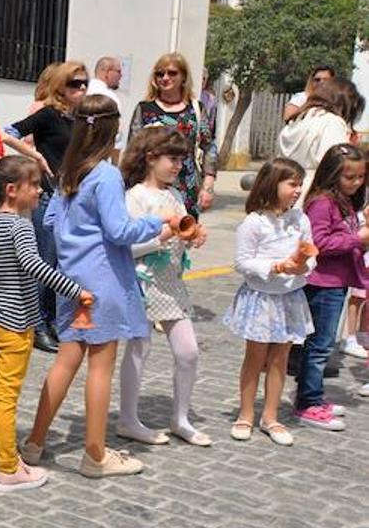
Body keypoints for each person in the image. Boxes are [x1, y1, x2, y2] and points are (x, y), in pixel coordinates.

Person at [22, 95, 165, 478]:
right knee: (101, 366)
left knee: (66, 360)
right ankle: (95, 453)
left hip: (70, 278)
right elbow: (119, 231)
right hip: (102, 280)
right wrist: (156, 222)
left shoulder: (71, 169)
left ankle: (35, 441)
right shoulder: (104, 174)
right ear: (112, 127)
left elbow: (51, 220)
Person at [0, 155, 84, 493]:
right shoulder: (20, 226)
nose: (40, 191)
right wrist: (75, 291)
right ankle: (8, 467)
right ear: (12, 190)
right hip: (13, 325)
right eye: (34, 185)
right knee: (5, 396)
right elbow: (35, 265)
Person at [117, 128, 212, 447]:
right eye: (172, 159)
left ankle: (180, 418)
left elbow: (183, 232)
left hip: (171, 285)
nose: (177, 166)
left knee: (189, 352)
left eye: (181, 160)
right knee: (138, 349)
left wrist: (193, 237)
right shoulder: (135, 197)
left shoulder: (175, 196)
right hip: (143, 284)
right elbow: (126, 247)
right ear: (150, 158)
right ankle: (128, 418)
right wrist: (162, 238)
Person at [223, 158, 314, 445]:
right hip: (261, 297)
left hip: (289, 296)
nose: (297, 190)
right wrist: (275, 267)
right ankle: (246, 413)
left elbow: (311, 256)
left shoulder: (300, 219)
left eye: (300, 184)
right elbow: (242, 262)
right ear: (272, 184)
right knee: (255, 357)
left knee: (280, 359)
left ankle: (270, 416)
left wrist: (303, 268)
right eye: (292, 184)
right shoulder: (254, 223)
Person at [8, 60, 90, 352]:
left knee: (62, 263)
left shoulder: (82, 119)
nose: (80, 88)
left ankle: (53, 319)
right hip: (48, 197)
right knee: (45, 261)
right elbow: (8, 132)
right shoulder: (49, 115)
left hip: (73, 197)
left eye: (84, 83)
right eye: (74, 83)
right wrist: (36, 158)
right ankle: (37, 324)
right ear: (61, 86)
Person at [293, 143, 368, 431]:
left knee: (322, 344)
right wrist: (357, 239)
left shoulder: (344, 201)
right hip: (322, 283)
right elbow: (319, 243)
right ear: (333, 174)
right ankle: (307, 403)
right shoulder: (323, 202)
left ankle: (312, 395)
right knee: (320, 346)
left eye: (361, 177)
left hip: (336, 282)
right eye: (350, 177)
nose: (356, 183)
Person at [126, 53, 217, 218]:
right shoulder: (145, 109)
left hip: (186, 189)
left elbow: (209, 146)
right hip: (151, 190)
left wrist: (208, 185)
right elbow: (133, 149)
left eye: (172, 73)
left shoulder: (195, 110)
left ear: (183, 77)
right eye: (160, 73)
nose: (165, 78)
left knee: (184, 237)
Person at [277, 76, 367, 175]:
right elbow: (336, 163)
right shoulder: (331, 122)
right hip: (313, 185)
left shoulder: (300, 118)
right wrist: (351, 150)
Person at [86, 56, 125, 162]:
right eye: (118, 72)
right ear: (106, 72)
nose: (121, 76)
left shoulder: (83, 92)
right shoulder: (110, 98)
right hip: (99, 158)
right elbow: (116, 136)